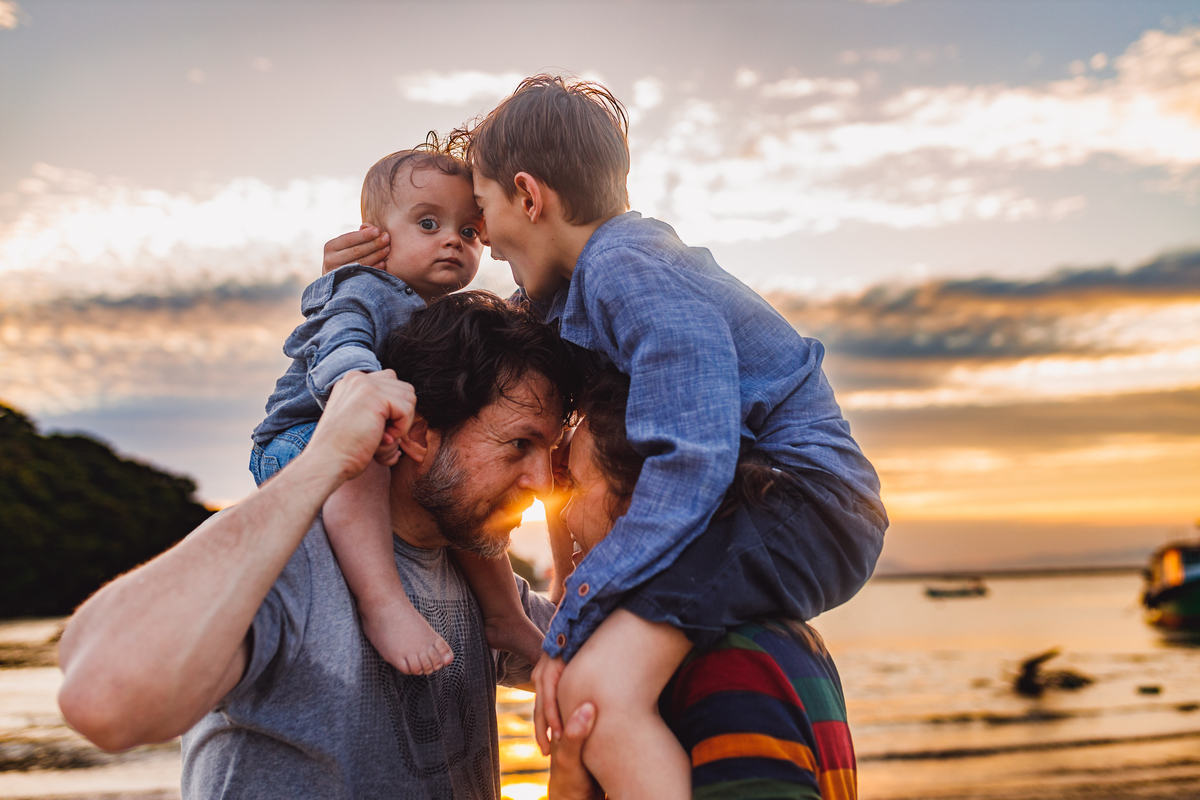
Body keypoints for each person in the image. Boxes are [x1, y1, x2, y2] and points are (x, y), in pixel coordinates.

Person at [459, 75, 886, 799]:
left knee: (600, 688)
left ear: (529, 197)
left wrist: (570, 628)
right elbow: (493, 333)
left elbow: (692, 454)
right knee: (598, 673)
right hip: (764, 502)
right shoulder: (581, 287)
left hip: (804, 503)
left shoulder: (627, 267)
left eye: (481, 214)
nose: (483, 241)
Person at [58, 292, 578, 799]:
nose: (542, 483)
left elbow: (604, 666)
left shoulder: (481, 582)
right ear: (418, 434)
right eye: (519, 444)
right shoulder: (288, 562)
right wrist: (323, 461)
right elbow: (100, 699)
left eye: (549, 451)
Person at [251, 140, 544, 675]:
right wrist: (361, 386)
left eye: (470, 231)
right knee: (365, 459)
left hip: (372, 432)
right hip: (303, 436)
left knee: (468, 496)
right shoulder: (360, 287)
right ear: (373, 237)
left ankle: (505, 615)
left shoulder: (442, 315)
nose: (453, 241)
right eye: (428, 224)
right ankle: (383, 604)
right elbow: (340, 341)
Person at [550, 367, 858, 799]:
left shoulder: (727, 664)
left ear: (645, 507)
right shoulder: (782, 637)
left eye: (577, 488)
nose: (565, 516)